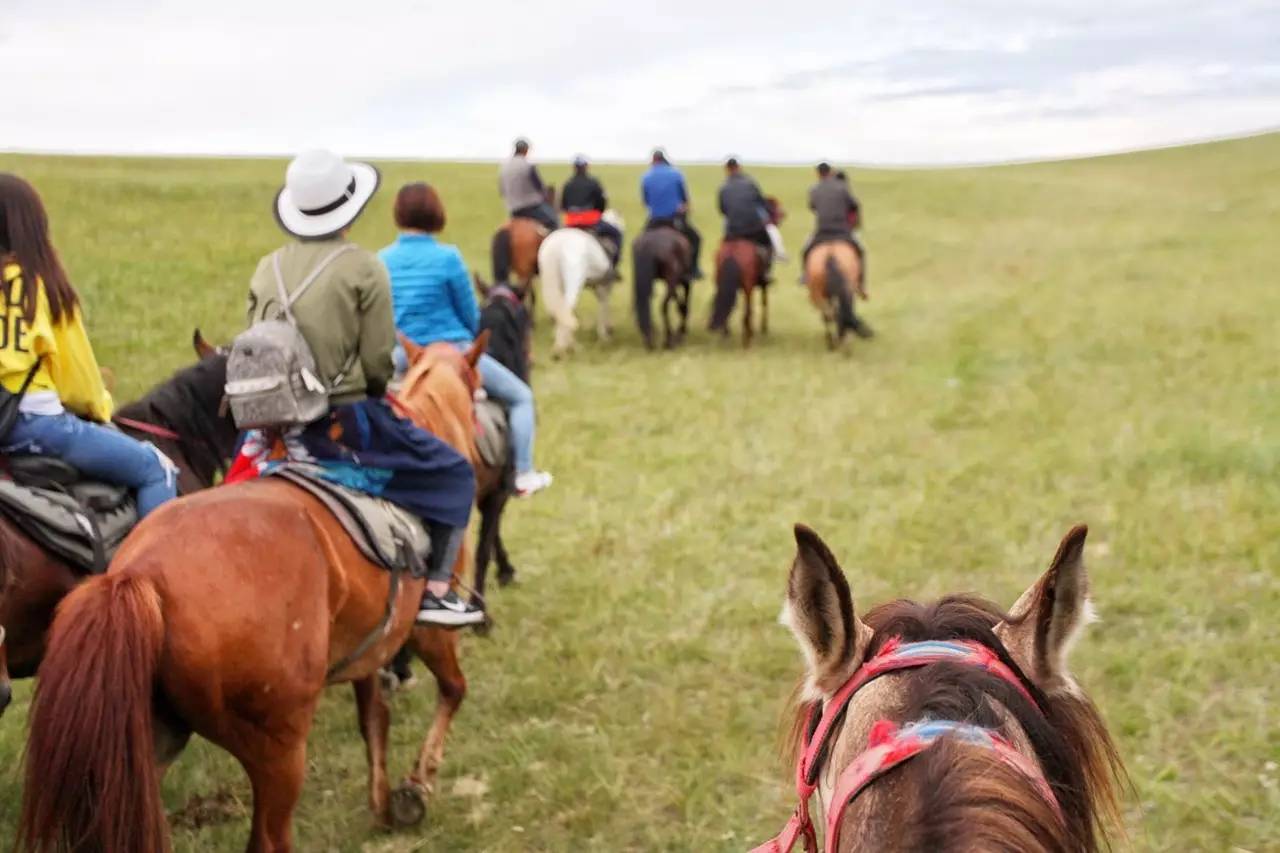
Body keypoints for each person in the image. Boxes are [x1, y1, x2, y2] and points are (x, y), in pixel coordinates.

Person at [241, 150, 482, 627]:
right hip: (342, 422)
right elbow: (377, 363)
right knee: (455, 473)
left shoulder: (266, 266)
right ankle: (435, 592)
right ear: (348, 208)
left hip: (269, 423)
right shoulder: (364, 267)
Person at [0, 173, 177, 517]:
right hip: (35, 425)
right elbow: (79, 387)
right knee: (155, 468)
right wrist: (101, 410)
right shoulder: (42, 287)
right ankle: (152, 570)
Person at [380, 181, 553, 498]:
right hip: (453, 353)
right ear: (436, 214)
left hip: (405, 356)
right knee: (521, 397)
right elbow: (472, 317)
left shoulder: (382, 259)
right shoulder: (448, 258)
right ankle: (523, 472)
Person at [640, 148, 702, 280]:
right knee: (696, 238)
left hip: (655, 220)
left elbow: (646, 202)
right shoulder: (676, 174)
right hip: (674, 219)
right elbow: (684, 199)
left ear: (653, 160)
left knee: (640, 244)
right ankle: (693, 269)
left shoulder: (646, 176)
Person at [717, 158, 786, 271]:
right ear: (739, 167)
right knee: (769, 239)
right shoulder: (750, 183)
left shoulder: (723, 187)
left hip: (732, 229)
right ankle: (770, 267)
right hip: (752, 228)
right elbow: (761, 202)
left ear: (727, 170)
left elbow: (722, 210)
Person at [799, 162, 862, 284]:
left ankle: (805, 276)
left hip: (822, 231)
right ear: (830, 171)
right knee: (860, 251)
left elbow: (812, 206)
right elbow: (854, 205)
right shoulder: (842, 187)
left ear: (818, 173)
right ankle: (860, 282)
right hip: (842, 230)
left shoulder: (814, 189)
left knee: (805, 251)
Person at [560, 155, 621, 275]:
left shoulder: (567, 184)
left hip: (571, 222)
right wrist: (598, 212)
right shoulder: (593, 183)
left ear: (574, 168)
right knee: (617, 234)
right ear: (586, 167)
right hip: (590, 221)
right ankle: (613, 267)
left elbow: (564, 205)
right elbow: (601, 202)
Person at [498, 138, 559, 231]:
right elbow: (539, 187)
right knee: (553, 222)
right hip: (530, 207)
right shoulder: (527, 165)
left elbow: (502, 190)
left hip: (512, 209)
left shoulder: (504, 166)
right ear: (525, 150)